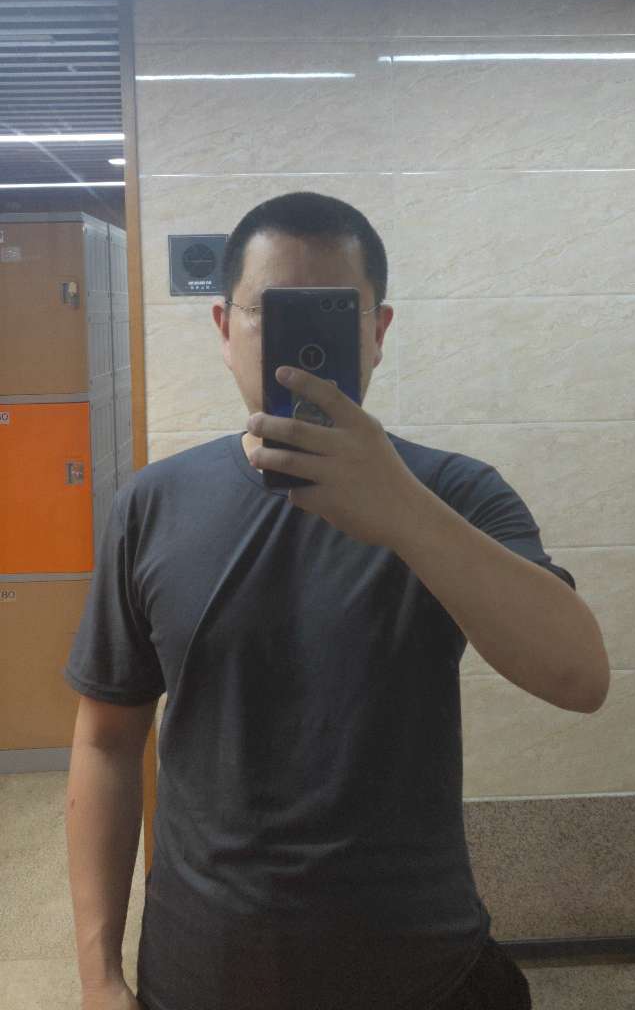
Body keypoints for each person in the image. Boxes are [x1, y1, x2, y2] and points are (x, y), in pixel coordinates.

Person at [66, 191, 576, 1010]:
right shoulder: (152, 505)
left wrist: (403, 510)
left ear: (378, 333)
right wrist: (99, 978)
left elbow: (577, 677)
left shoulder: (456, 494)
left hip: (422, 975)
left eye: (333, 314)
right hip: (202, 975)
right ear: (223, 329)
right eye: (271, 313)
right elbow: (104, 743)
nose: (299, 346)